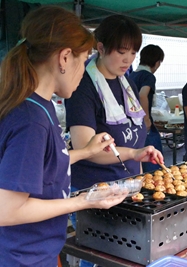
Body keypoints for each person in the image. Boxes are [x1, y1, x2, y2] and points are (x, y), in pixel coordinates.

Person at [0, 6, 130, 266]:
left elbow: (41, 167)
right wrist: (83, 201)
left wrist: (85, 152)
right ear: (64, 58)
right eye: (83, 61)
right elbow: (7, 210)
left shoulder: (39, 104)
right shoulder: (31, 119)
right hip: (23, 256)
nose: (83, 71)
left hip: (35, 250)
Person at [65, 14, 164, 267]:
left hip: (127, 189)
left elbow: (137, 131)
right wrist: (132, 153)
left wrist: (140, 174)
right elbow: (85, 147)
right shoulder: (83, 86)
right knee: (100, 259)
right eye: (122, 52)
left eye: (133, 53)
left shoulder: (125, 80)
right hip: (95, 192)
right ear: (100, 47)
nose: (128, 59)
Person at [129, 44, 165, 172]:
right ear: (157, 63)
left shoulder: (132, 75)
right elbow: (142, 94)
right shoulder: (148, 76)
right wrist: (147, 119)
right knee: (154, 161)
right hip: (142, 123)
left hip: (131, 125)